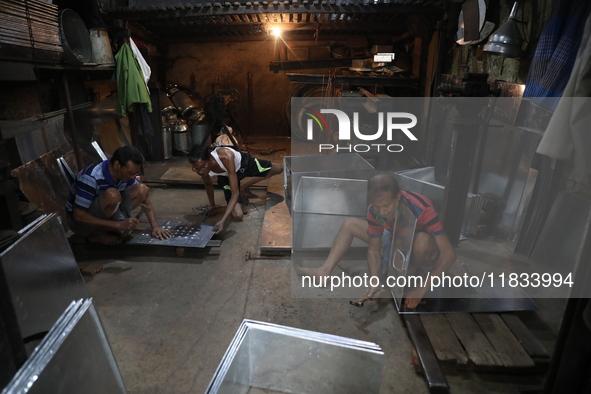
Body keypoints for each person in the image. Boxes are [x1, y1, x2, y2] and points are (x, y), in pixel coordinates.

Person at [298, 173, 456, 309]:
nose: (382, 211)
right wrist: (375, 279)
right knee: (350, 224)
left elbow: (449, 255)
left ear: (398, 196)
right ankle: (324, 271)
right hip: (393, 237)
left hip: (418, 247)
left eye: (386, 205)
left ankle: (410, 274)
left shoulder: (421, 208)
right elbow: (373, 248)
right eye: (377, 206)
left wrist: (421, 289)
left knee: (421, 242)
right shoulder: (375, 210)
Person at [66, 146, 172, 244]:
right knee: (113, 195)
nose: (132, 177)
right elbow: (78, 216)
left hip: (106, 214)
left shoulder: (124, 176)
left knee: (142, 189)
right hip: (81, 224)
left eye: (135, 174)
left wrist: (155, 227)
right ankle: (97, 234)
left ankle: (111, 228)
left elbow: (145, 200)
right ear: (117, 165)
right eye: (130, 173)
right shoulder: (91, 177)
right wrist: (119, 225)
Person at [189, 144, 283, 234]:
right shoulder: (202, 169)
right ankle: (241, 188)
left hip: (243, 165)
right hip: (225, 177)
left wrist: (223, 221)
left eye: (202, 167)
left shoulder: (226, 156)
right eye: (196, 169)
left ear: (210, 159)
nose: (200, 171)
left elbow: (235, 194)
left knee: (278, 169)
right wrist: (212, 205)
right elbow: (208, 184)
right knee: (238, 215)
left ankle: (244, 186)